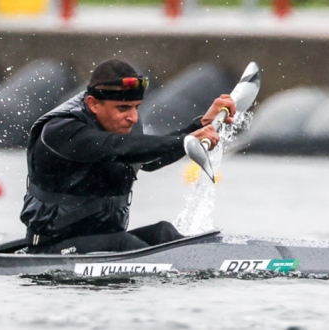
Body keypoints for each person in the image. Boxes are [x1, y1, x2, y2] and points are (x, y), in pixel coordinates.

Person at [19, 59, 235, 254]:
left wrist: (198, 126)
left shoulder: (124, 125)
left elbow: (147, 159)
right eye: (123, 108)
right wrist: (186, 140)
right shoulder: (60, 130)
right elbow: (114, 147)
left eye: (136, 107)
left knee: (164, 232)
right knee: (126, 245)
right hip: (52, 247)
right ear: (93, 104)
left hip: (105, 241)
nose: (132, 117)